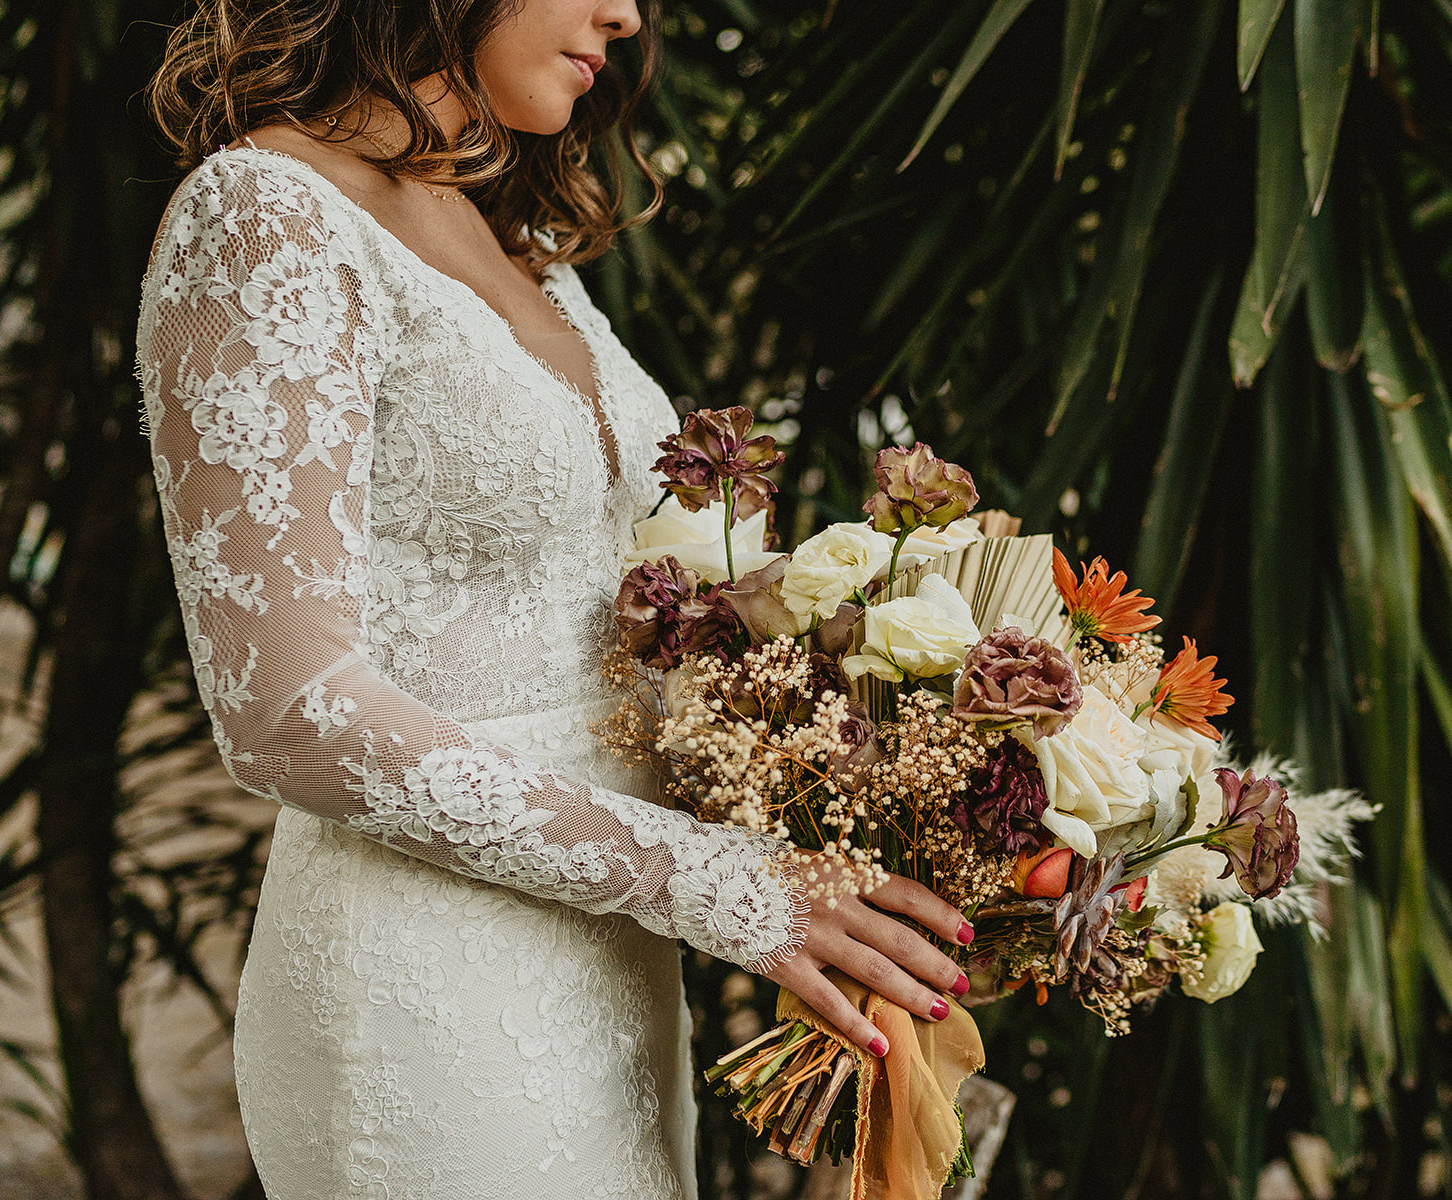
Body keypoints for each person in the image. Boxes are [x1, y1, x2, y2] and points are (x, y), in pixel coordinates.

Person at [136, 2, 974, 1196]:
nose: (625, 16)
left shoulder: (516, 237)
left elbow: (600, 618)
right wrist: (715, 884)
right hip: (424, 986)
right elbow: (286, 712)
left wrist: (910, 778)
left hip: (616, 974)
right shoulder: (263, 216)